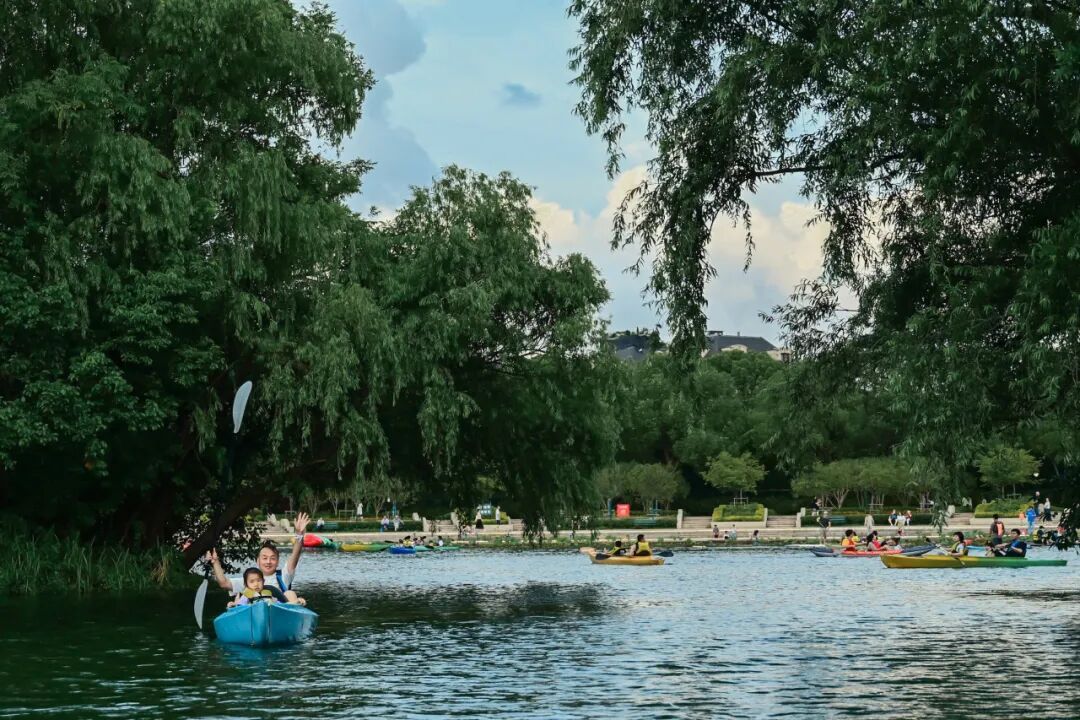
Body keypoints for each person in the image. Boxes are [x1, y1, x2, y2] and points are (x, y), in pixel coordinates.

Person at [209, 512, 310, 605]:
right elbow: (224, 583)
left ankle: (295, 605)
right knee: (239, 597)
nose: (268, 562)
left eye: (272, 558)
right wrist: (215, 562)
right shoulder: (249, 579)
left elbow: (295, 556)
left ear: (277, 562)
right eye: (265, 558)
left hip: (280, 609)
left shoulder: (283, 576)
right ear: (258, 561)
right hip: (255, 610)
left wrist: (299, 535)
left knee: (290, 593)